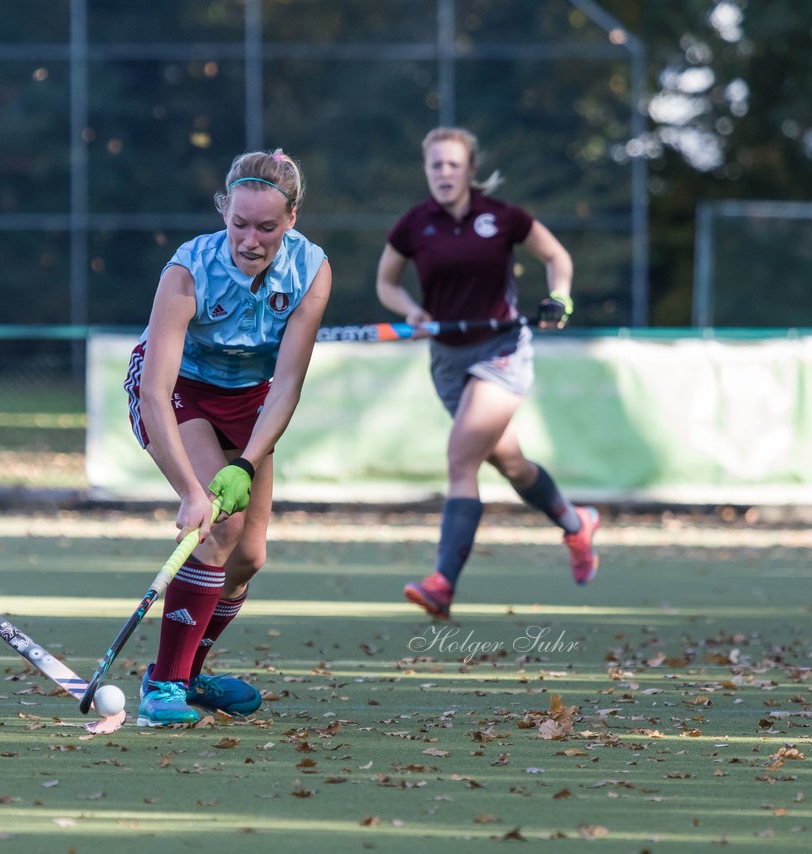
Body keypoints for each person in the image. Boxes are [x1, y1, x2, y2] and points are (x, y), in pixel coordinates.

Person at [125, 149, 332, 726]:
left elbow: (286, 384)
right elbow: (154, 389)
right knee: (218, 527)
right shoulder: (188, 270)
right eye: (239, 224)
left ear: (291, 218)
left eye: (266, 227)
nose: (250, 240)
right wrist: (192, 491)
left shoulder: (311, 271)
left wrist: (246, 462)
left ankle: (187, 673)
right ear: (225, 212)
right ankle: (161, 687)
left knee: (248, 557)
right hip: (178, 392)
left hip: (250, 400)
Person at [374, 127, 599, 620]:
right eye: (436, 165)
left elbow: (556, 257)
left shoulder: (503, 218)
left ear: (471, 170)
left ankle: (442, 584)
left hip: (501, 350)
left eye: (454, 165)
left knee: (460, 458)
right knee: (511, 463)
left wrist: (560, 296)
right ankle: (575, 522)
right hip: (448, 360)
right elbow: (386, 283)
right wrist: (412, 312)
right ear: (427, 170)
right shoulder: (415, 225)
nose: (445, 173)